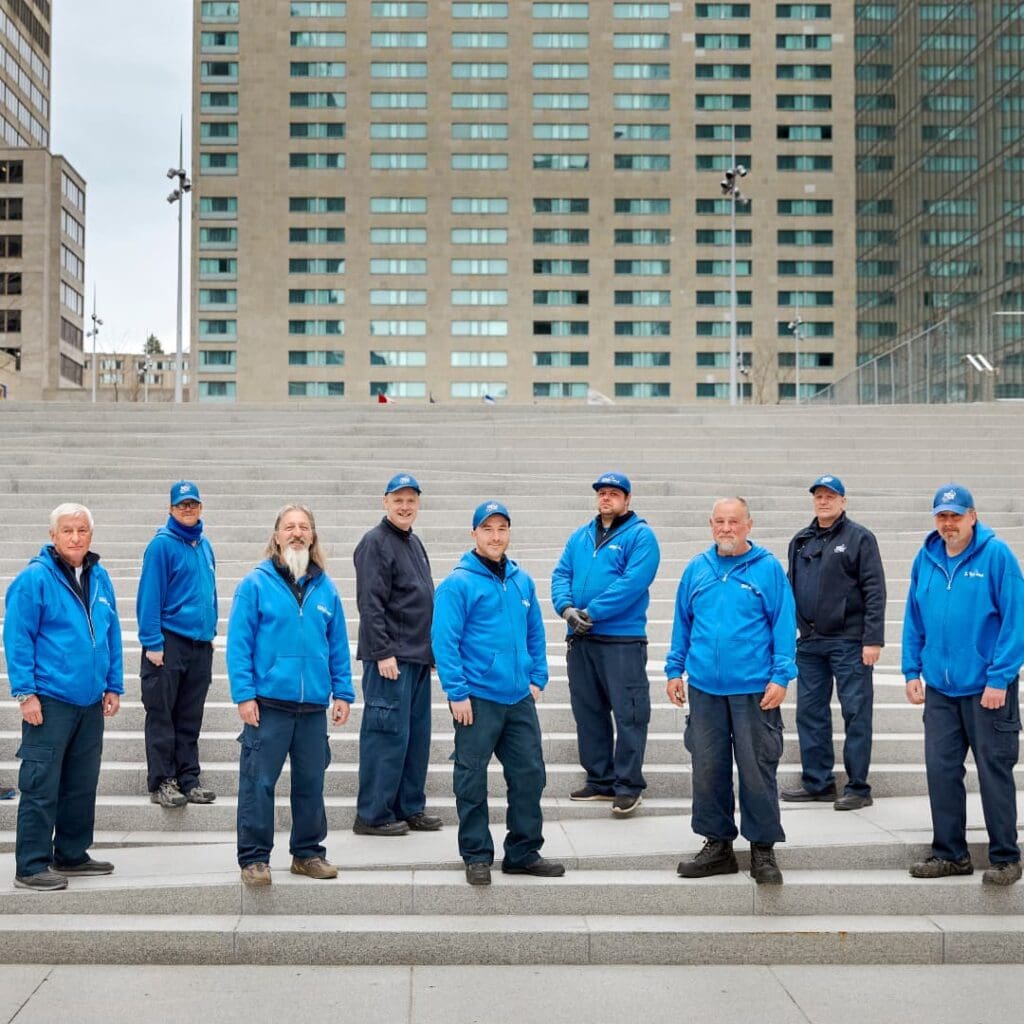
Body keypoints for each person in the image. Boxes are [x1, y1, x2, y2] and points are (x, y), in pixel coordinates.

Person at [432, 500, 564, 886]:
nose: (495, 536)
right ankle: (476, 854)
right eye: (487, 529)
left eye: (501, 528)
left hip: (518, 697)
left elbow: (535, 632)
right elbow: (444, 641)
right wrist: (457, 693)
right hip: (477, 699)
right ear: (474, 534)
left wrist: (536, 676)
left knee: (529, 776)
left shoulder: (522, 581)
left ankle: (523, 852)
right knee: (471, 778)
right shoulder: (458, 583)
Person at [666, 497, 796, 885]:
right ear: (711, 525)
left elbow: (784, 626)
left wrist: (781, 676)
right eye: (720, 522)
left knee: (757, 770)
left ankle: (762, 849)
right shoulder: (697, 569)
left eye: (734, 522)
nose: (727, 528)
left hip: (755, 690)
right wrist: (675, 669)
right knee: (707, 769)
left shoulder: (768, 569)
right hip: (705, 689)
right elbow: (682, 624)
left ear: (748, 525)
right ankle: (717, 845)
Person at [226, 504, 354, 887]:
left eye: (304, 527)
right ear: (277, 535)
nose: (297, 533)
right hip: (269, 705)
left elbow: (339, 645)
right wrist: (244, 694)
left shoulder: (326, 588)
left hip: (313, 706)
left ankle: (308, 853)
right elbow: (239, 644)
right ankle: (254, 859)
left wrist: (342, 691)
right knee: (258, 783)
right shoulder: (255, 584)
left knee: (311, 783)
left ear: (312, 536)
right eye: (289, 527)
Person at [903, 483, 1024, 885]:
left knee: (993, 772)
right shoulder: (927, 558)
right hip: (940, 689)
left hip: (987, 690)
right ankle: (950, 854)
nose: (948, 523)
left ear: (973, 516)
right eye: (942, 516)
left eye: (956, 515)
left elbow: (1015, 621)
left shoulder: (996, 556)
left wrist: (1000, 677)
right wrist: (910, 671)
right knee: (940, 772)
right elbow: (913, 618)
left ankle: (1006, 857)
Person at [3, 503, 123, 891]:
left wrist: (113, 684)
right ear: (53, 535)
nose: (75, 538)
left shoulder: (100, 576)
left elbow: (112, 633)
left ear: (91, 535)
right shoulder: (34, 579)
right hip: (50, 699)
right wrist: (25, 693)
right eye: (68, 531)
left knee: (80, 782)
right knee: (40, 783)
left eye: (82, 531)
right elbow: (17, 638)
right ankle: (32, 865)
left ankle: (71, 854)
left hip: (89, 701)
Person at [551, 472, 660, 816]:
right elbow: (560, 575)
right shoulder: (580, 536)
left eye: (614, 493)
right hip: (581, 639)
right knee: (589, 712)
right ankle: (600, 780)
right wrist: (567, 609)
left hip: (621, 640)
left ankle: (627, 785)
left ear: (627, 500)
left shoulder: (641, 536)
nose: (606, 498)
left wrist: (592, 611)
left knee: (629, 713)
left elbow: (633, 583)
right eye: (602, 493)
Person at [782, 475, 886, 811]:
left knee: (856, 713)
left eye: (830, 496)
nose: (823, 501)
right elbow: (788, 588)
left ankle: (858, 787)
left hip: (849, 641)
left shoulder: (860, 538)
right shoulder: (801, 540)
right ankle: (818, 782)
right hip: (810, 643)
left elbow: (874, 590)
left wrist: (872, 639)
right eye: (818, 496)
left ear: (843, 501)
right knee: (809, 714)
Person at [352, 472, 441, 836]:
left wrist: (431, 650)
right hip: (390, 660)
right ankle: (372, 814)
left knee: (415, 738)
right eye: (398, 500)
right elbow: (370, 603)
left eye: (411, 500)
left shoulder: (414, 542)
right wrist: (383, 651)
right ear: (384, 501)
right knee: (385, 736)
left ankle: (409, 806)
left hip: (416, 658)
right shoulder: (375, 542)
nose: (405, 506)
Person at [136, 479, 218, 809]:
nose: (188, 509)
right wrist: (152, 641)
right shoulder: (161, 546)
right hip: (169, 641)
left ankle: (189, 777)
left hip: (199, 644)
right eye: (182, 505)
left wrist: (211, 633)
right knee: (162, 714)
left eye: (193, 504)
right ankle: (162, 781)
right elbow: (149, 597)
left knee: (190, 715)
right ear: (171, 509)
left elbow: (210, 592)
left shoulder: (204, 544)